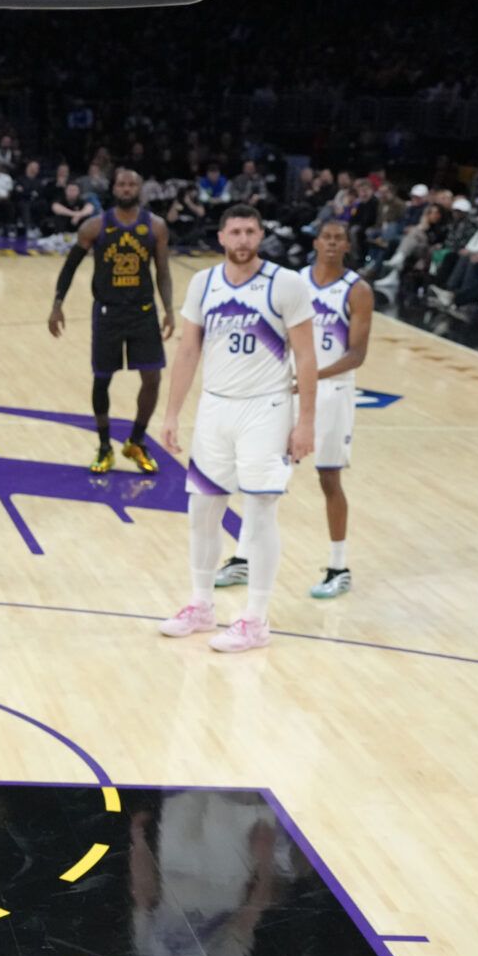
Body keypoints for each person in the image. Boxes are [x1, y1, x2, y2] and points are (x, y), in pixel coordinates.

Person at [158, 205, 316, 652]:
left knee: (260, 510)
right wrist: (171, 415)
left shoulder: (286, 283)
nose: (243, 239)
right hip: (215, 408)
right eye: (235, 232)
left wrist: (305, 421)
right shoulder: (203, 283)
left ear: (260, 236)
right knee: (202, 510)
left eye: (251, 231)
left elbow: (305, 356)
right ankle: (202, 605)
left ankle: (256, 619)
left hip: (266, 410)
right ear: (222, 237)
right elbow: (188, 351)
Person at [215, 220, 370, 600]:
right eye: (327, 238)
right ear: (316, 241)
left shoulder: (358, 290)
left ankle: (339, 566)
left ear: (347, 245)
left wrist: (312, 375)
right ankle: (243, 558)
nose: (332, 244)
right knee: (263, 475)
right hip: (287, 391)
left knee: (328, 479)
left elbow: (357, 355)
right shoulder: (293, 281)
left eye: (339, 239)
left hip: (332, 392)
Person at [48, 168, 176, 473]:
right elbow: (69, 268)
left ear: (140, 189)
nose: (127, 188)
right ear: (114, 188)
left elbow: (163, 270)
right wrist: (57, 305)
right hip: (107, 312)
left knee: (153, 378)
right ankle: (105, 446)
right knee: (102, 379)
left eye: (133, 183)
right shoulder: (95, 226)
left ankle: (136, 440)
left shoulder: (155, 226)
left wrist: (169, 308)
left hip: (143, 312)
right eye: (122, 183)